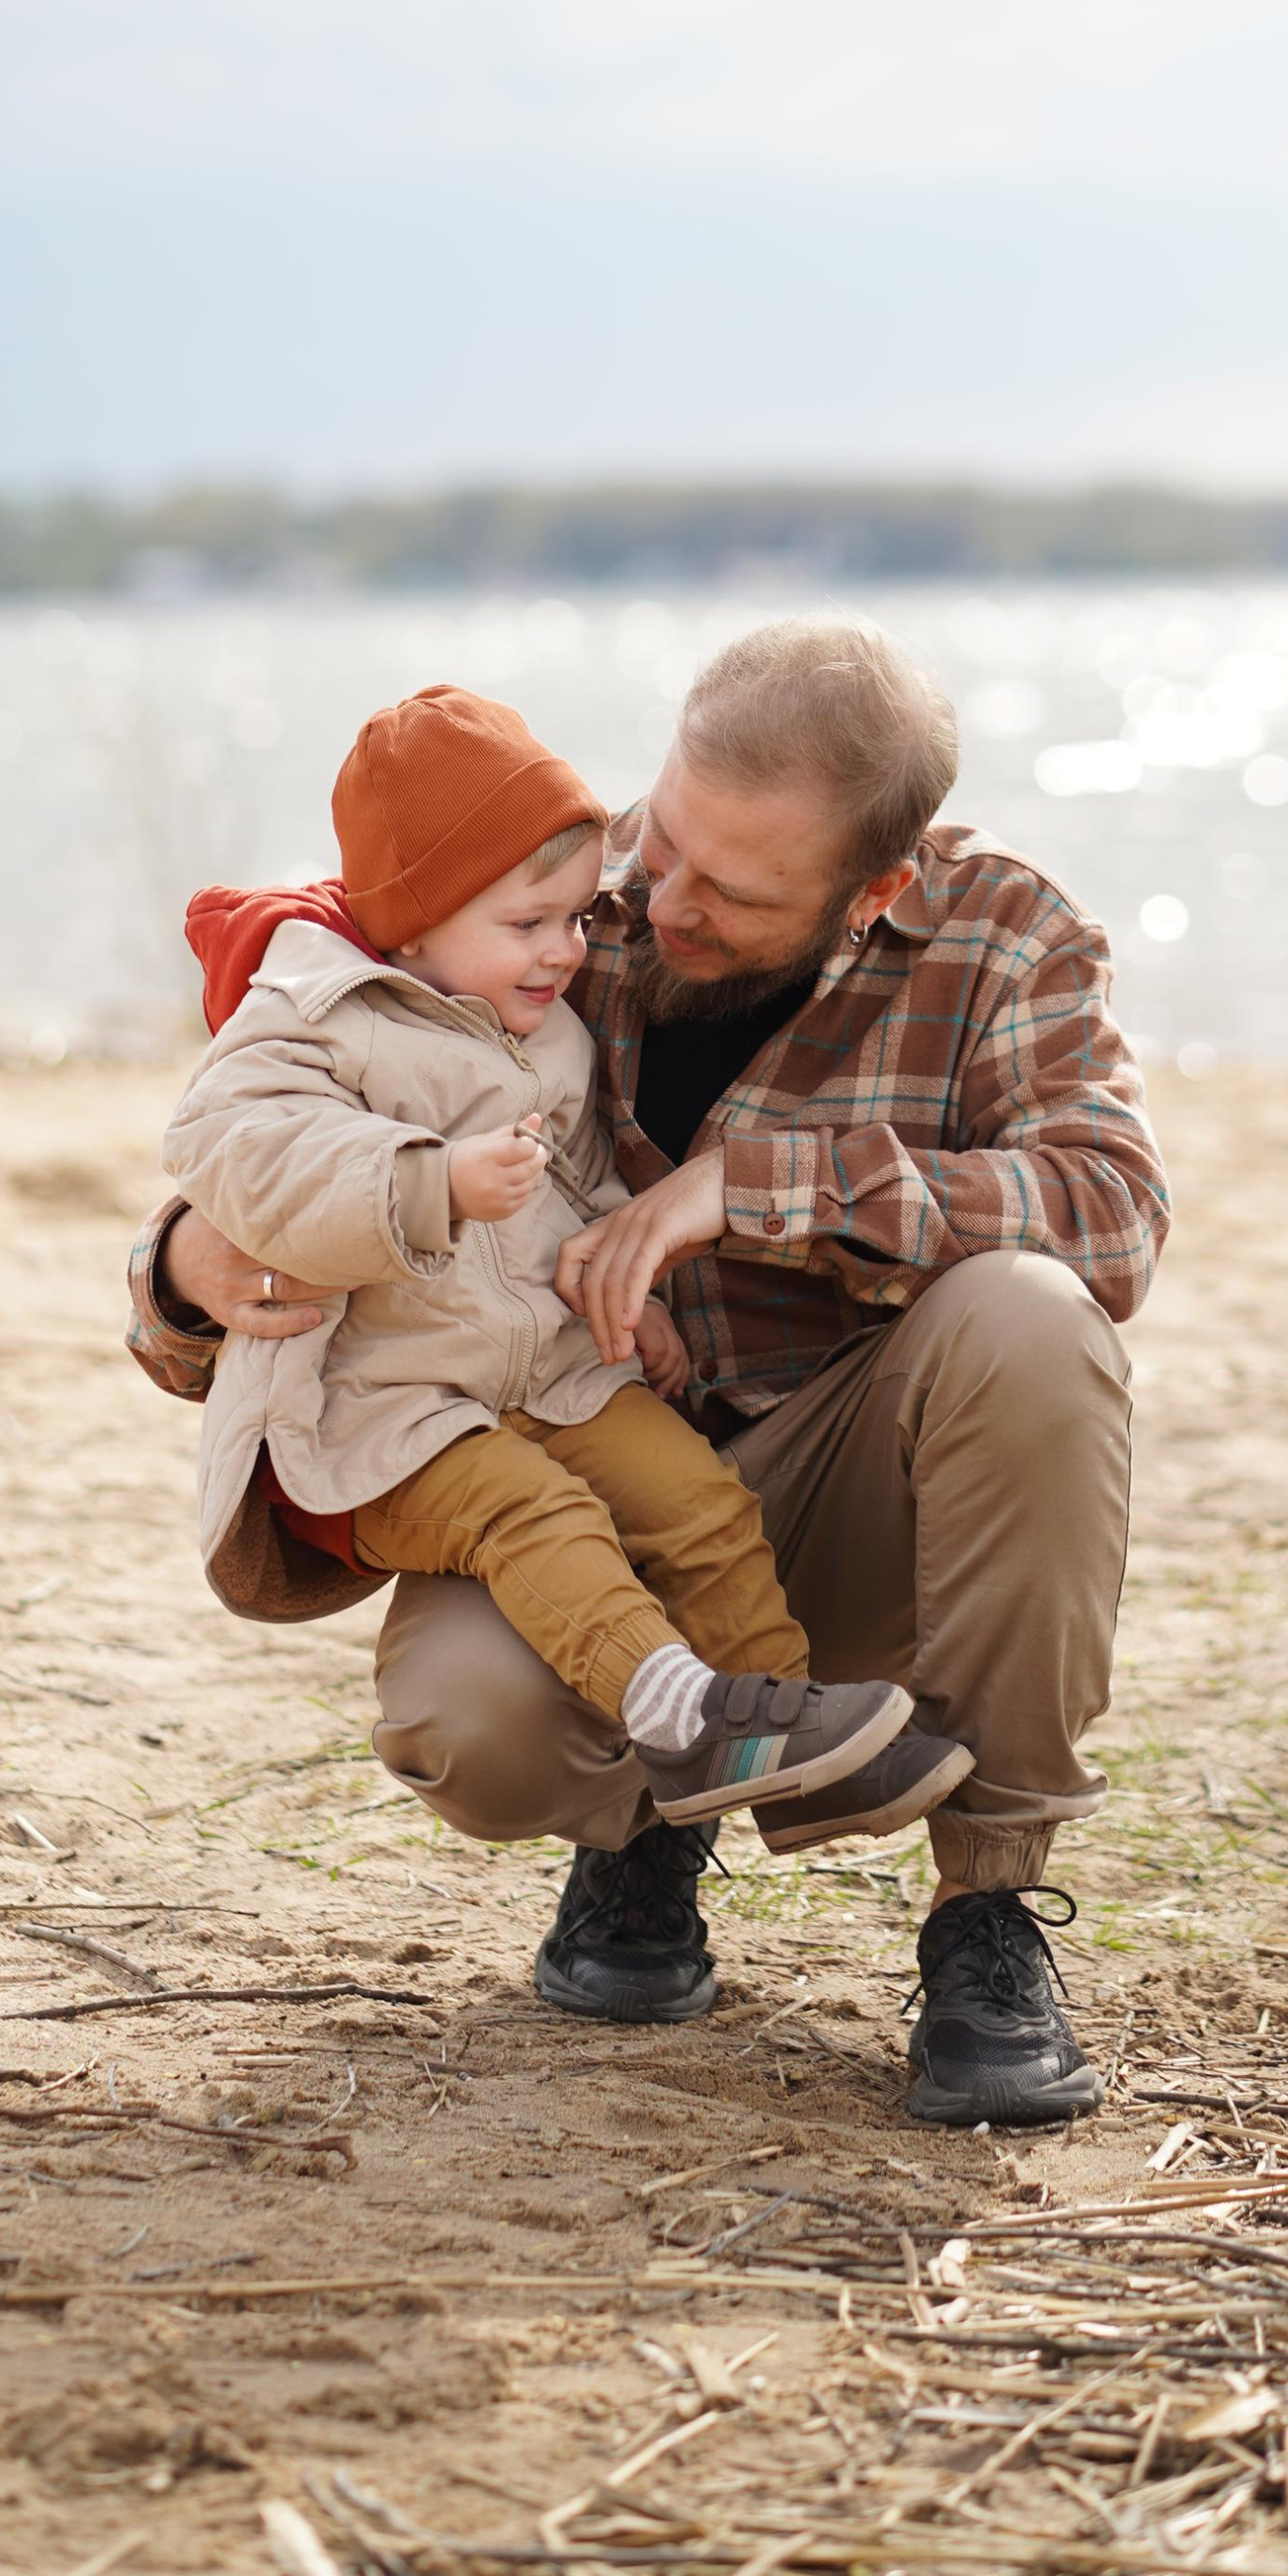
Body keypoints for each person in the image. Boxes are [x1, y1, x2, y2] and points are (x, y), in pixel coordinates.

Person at [131, 620, 1169, 2127]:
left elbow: (1114, 1217)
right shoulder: (544, 890)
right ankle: (644, 1834)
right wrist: (182, 1271)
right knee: (465, 1726)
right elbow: (284, 1103)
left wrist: (757, 1186)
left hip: (875, 1488)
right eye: (663, 838)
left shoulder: (1004, 934)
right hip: (579, 1476)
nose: (656, 899)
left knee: (1033, 1312)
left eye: (733, 893)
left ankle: (986, 1922)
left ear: (875, 885)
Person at [159, 681, 967, 1838]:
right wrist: (422, 1180)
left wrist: (615, 1285)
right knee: (538, 1517)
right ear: (416, 918)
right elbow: (232, 1152)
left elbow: (582, 1181)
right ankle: (681, 1718)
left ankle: (785, 1733)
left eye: (578, 919)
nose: (564, 952)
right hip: (377, 1411)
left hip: (542, 1367)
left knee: (696, 1501)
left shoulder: (551, 1028)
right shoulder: (309, 1013)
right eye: (527, 925)